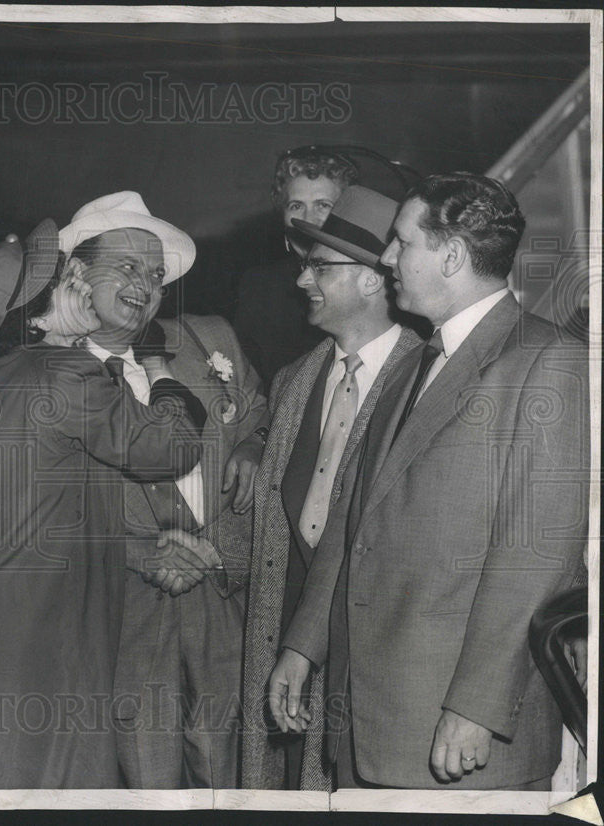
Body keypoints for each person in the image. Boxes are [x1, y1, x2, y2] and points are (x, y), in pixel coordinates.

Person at [269, 173, 589, 790]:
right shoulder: (413, 362)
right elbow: (352, 518)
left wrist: (475, 707)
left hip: (458, 730)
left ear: (452, 256)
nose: (387, 257)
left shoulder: (546, 362)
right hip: (371, 723)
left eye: (401, 242)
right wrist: (303, 645)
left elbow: (535, 559)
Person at [0, 219, 207, 789]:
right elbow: (173, 448)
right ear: (46, 302)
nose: (85, 284)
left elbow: (32, 514)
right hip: (38, 640)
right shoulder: (65, 371)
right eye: (70, 277)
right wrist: (164, 378)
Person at [58, 191, 267, 788]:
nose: (145, 285)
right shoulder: (46, 371)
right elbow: (29, 511)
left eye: (154, 274)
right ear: (76, 273)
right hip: (122, 612)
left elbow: (260, 413)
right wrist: (134, 551)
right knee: (141, 780)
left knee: (232, 776)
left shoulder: (208, 338)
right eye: (125, 267)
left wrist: (251, 448)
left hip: (223, 595)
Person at [238, 185, 421, 790]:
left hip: (376, 656)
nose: (301, 281)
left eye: (320, 266)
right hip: (286, 635)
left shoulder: (428, 381)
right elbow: (271, 516)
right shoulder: (293, 382)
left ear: (373, 279)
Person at [233, 147, 359, 390]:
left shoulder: (365, 280)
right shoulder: (259, 286)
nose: (307, 219)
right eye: (296, 206)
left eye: (323, 205)